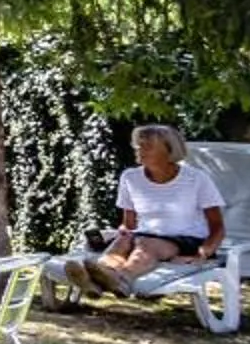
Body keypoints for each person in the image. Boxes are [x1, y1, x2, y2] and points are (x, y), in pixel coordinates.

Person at [70, 124, 224, 295]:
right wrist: (121, 233)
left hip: (186, 241)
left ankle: (122, 279)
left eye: (148, 146)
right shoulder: (130, 177)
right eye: (139, 145)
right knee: (123, 241)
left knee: (146, 245)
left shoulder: (197, 179)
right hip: (144, 235)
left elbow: (217, 226)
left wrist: (202, 254)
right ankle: (100, 279)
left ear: (169, 150)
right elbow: (129, 224)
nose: (140, 150)